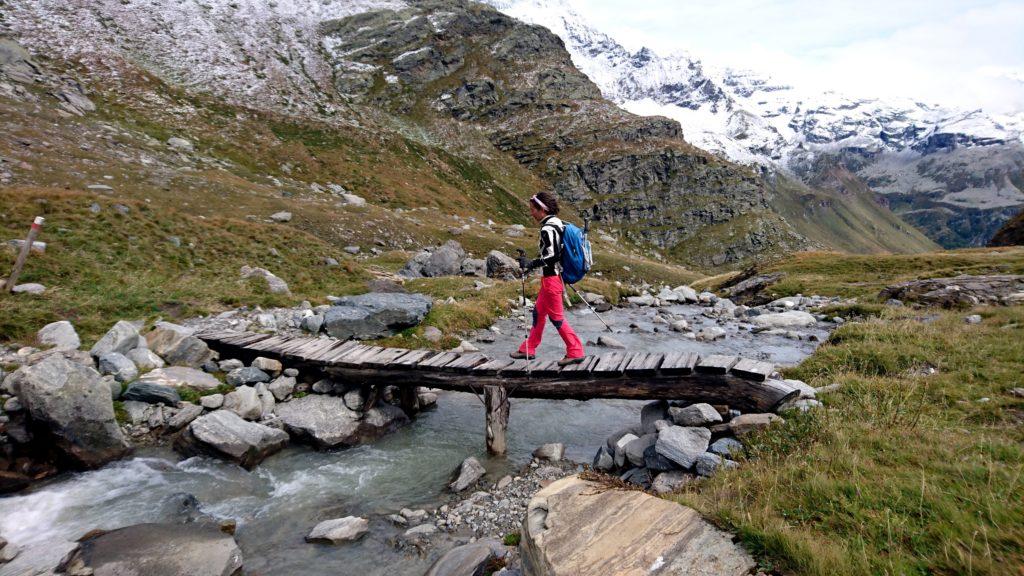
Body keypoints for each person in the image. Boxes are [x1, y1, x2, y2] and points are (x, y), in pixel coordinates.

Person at [510, 191, 586, 366]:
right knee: (538, 312)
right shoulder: (558, 223)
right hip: (550, 279)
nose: (531, 213)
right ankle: (527, 349)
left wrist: (530, 263)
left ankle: (575, 351)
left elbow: (551, 256)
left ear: (542, 209)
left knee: (557, 318)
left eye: (533, 210)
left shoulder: (548, 228)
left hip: (551, 280)